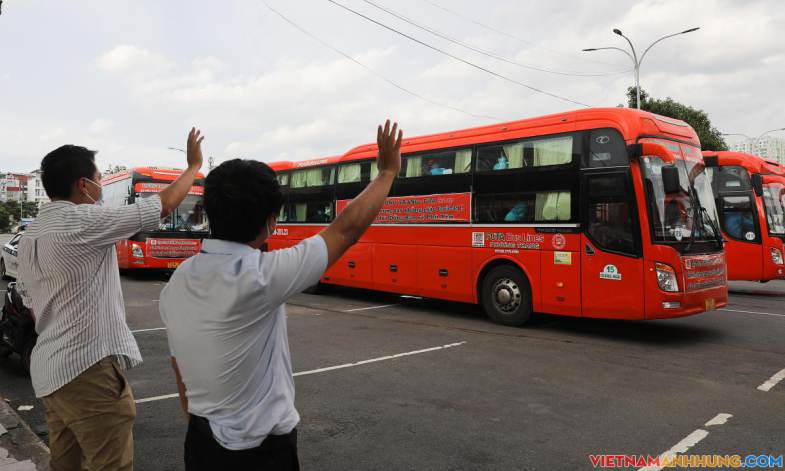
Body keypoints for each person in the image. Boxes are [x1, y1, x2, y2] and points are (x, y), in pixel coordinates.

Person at [159, 120, 403, 470]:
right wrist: (387, 173)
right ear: (271, 221)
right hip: (262, 453)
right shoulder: (261, 278)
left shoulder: (179, 280)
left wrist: (201, 424)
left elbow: (178, 367)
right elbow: (346, 229)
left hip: (201, 442)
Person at [16, 128, 205, 471]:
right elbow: (160, 206)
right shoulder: (81, 220)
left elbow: (30, 302)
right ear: (83, 185)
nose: (102, 186)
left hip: (48, 369)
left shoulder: (32, 234)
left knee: (66, 463)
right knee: (111, 465)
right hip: (86, 368)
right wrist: (193, 166)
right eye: (99, 177)